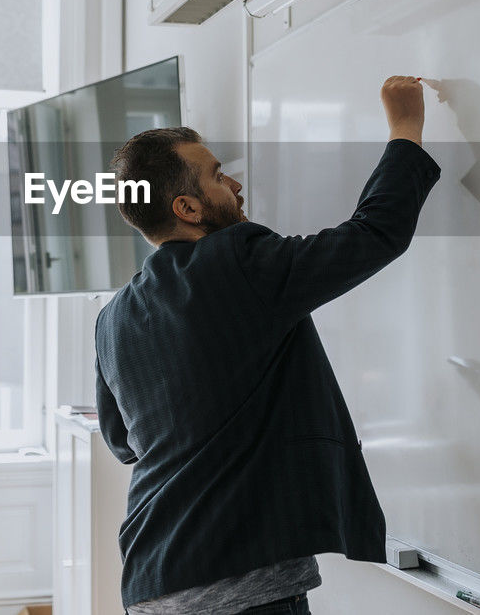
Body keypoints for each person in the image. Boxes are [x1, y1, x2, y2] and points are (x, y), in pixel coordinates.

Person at [95, 76, 440, 614]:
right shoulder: (236, 264)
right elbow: (376, 233)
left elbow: (125, 443)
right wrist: (405, 128)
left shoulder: (113, 317)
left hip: (151, 581)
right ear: (187, 208)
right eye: (216, 176)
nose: (233, 185)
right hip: (238, 588)